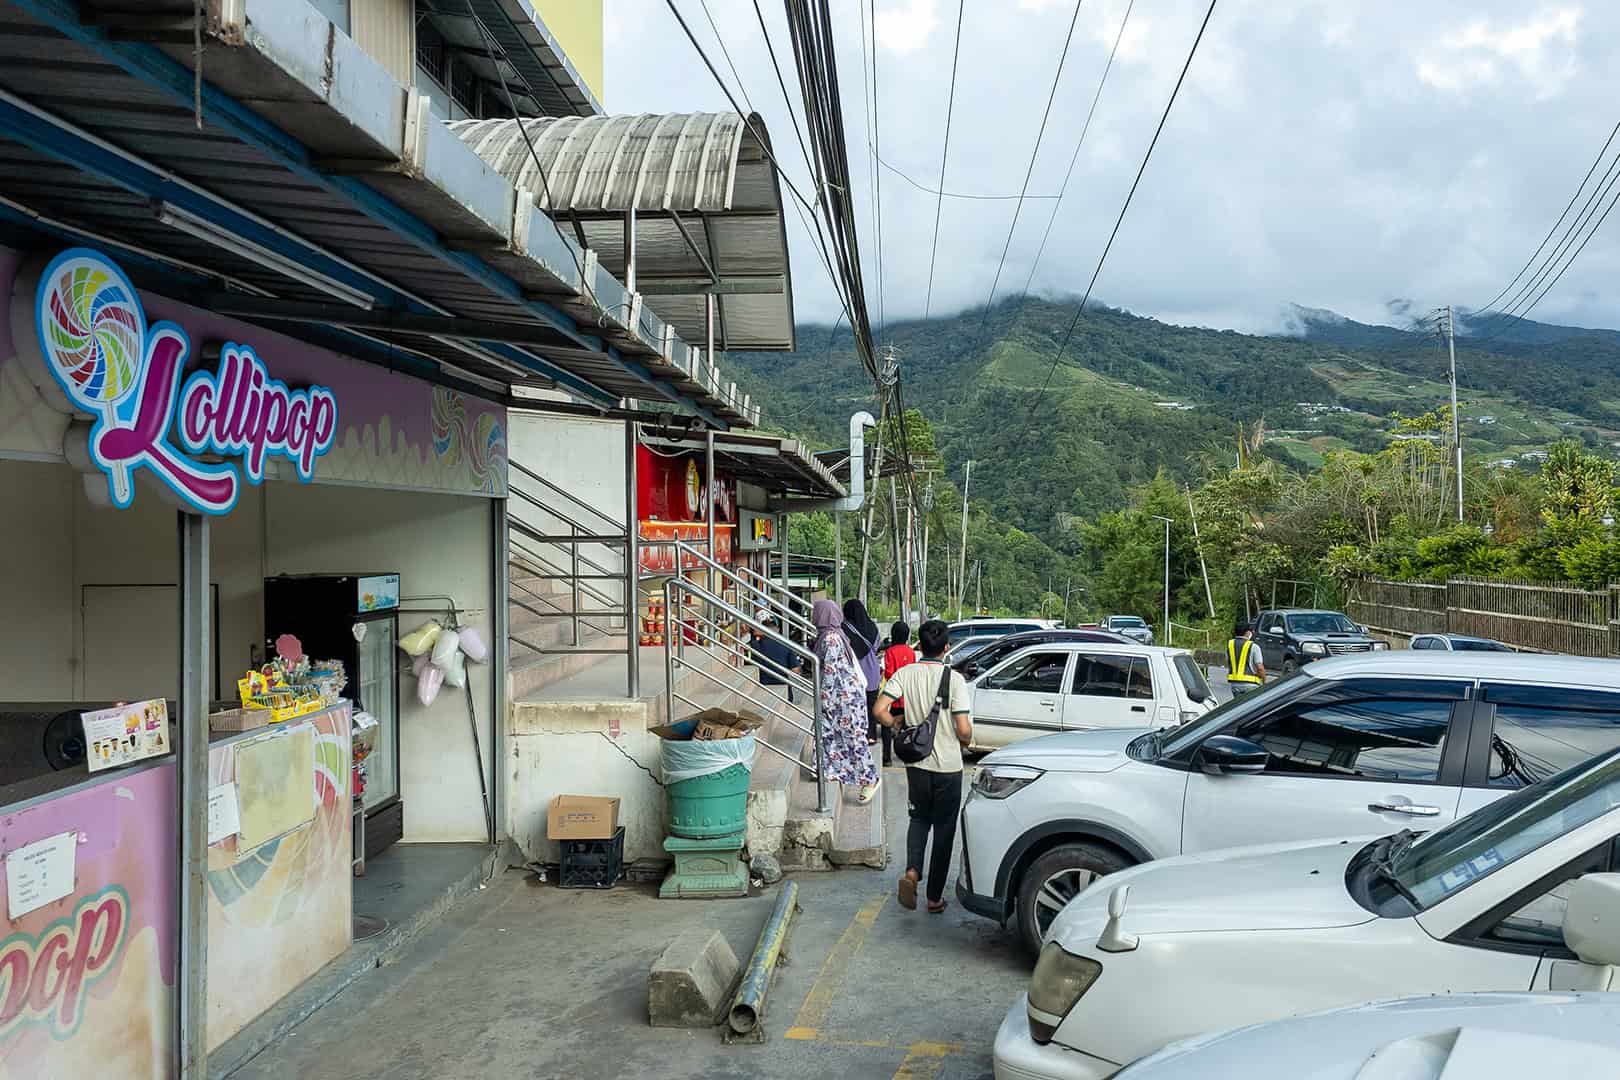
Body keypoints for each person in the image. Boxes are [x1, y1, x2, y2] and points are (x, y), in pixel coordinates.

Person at [872, 619, 971, 914]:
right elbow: (963, 730)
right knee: (944, 829)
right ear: (947, 648)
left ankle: (913, 872)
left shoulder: (905, 673)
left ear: (920, 645)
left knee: (918, 820)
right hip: (949, 768)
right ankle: (934, 898)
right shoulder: (954, 680)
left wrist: (895, 723)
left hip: (917, 764)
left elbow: (879, 710)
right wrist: (964, 741)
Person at [812, 600, 881, 803]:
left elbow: (832, 673)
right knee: (826, 733)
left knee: (853, 738)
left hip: (842, 698)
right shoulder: (833, 634)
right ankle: (825, 769)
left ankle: (870, 778)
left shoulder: (831, 638)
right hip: (846, 696)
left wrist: (823, 699)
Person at [841, 598, 883, 747]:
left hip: (854, 674)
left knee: (854, 706)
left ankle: (855, 734)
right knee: (871, 706)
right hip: (872, 673)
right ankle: (871, 735)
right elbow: (877, 645)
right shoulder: (872, 627)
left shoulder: (843, 629)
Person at [876, 621, 917, 767]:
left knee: (886, 725)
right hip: (907, 696)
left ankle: (887, 757)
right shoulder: (911, 652)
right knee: (909, 726)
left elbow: (888, 672)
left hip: (892, 697)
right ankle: (909, 755)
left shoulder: (890, 652)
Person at [751, 615, 804, 703]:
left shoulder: (755, 645)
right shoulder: (787, 644)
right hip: (783, 688)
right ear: (778, 629)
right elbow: (795, 670)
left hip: (762, 688)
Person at [1226, 621, 1266, 694]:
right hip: (1251, 685)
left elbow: (1229, 663)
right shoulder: (1254, 646)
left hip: (1235, 685)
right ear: (1247, 632)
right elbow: (1260, 668)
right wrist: (1264, 681)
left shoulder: (1230, 645)